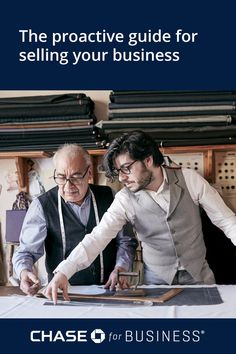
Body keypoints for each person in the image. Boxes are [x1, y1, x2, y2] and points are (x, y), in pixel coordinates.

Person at [43, 130, 236, 303]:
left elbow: (227, 221)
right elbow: (97, 238)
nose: (121, 177)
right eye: (118, 171)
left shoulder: (189, 179)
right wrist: (63, 272)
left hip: (200, 278)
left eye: (126, 168)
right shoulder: (124, 199)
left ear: (148, 160)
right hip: (156, 285)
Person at [13, 144, 138, 295]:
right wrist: (23, 272)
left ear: (89, 173)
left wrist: (121, 268)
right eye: (61, 177)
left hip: (108, 289)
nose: (68, 186)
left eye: (76, 177)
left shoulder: (110, 197)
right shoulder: (42, 206)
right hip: (62, 293)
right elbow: (26, 251)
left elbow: (126, 241)